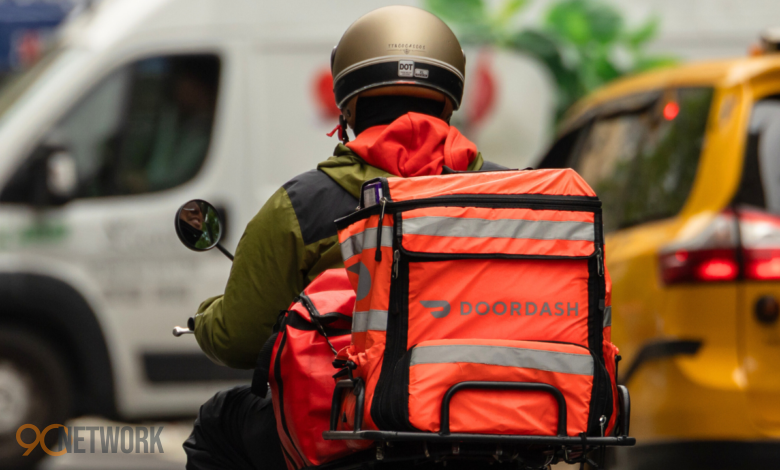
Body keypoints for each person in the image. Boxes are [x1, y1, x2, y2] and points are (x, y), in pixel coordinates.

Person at [183, 6, 505, 469]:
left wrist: (204, 319)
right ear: (448, 99)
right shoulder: (514, 195)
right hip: (493, 422)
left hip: (356, 428)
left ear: (349, 105)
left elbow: (239, 340)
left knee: (219, 421)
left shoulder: (304, 204)